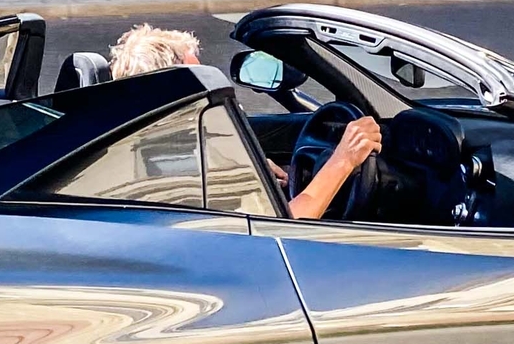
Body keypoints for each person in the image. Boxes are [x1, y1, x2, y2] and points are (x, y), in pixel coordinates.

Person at [104, 26, 379, 220]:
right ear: (174, 91)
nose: (208, 91)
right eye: (198, 81)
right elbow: (288, 228)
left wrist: (251, 170)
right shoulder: (186, 165)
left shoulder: (140, 149)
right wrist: (343, 159)